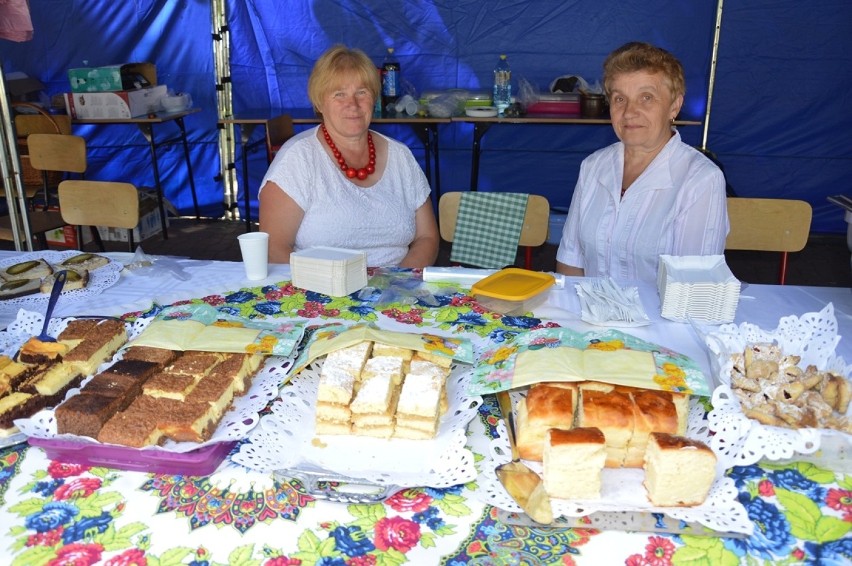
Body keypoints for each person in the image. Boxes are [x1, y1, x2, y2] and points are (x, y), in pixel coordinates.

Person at [556, 42, 729, 283]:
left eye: (646, 98)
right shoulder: (593, 166)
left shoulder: (701, 179)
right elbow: (571, 261)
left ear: (674, 106)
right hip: (589, 316)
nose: (629, 112)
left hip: (659, 320)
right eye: (619, 99)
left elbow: (694, 286)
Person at [259, 44, 439, 268]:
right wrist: (336, 285)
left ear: (374, 99)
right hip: (320, 293)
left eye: (361, 92)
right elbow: (273, 248)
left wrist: (396, 281)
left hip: (395, 292)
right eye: (339, 94)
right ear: (319, 103)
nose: (352, 104)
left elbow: (427, 238)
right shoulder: (298, 158)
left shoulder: (401, 156)